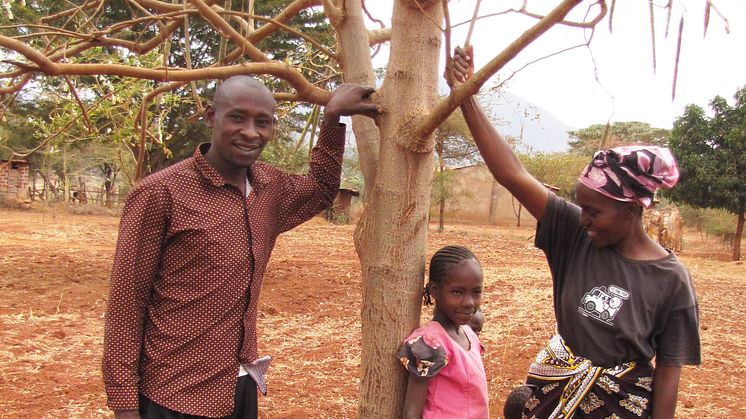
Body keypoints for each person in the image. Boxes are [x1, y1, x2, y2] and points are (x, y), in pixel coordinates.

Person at [102, 76, 380, 419]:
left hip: (240, 385)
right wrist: (125, 404)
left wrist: (332, 119)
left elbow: (322, 189)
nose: (251, 132)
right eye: (237, 117)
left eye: (262, 122)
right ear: (210, 116)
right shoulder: (161, 193)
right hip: (171, 394)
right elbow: (127, 303)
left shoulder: (270, 189)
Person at [449, 47, 700, 418]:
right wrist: (467, 97)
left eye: (595, 212)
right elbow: (512, 174)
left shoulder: (671, 280)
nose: (584, 218)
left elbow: (668, 374)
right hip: (555, 395)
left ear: (631, 210)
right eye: (581, 207)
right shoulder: (574, 236)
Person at [397, 245, 489, 419]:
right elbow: (411, 413)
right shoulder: (429, 342)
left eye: (476, 292)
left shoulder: (468, 333)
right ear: (434, 290)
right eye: (457, 292)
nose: (469, 302)